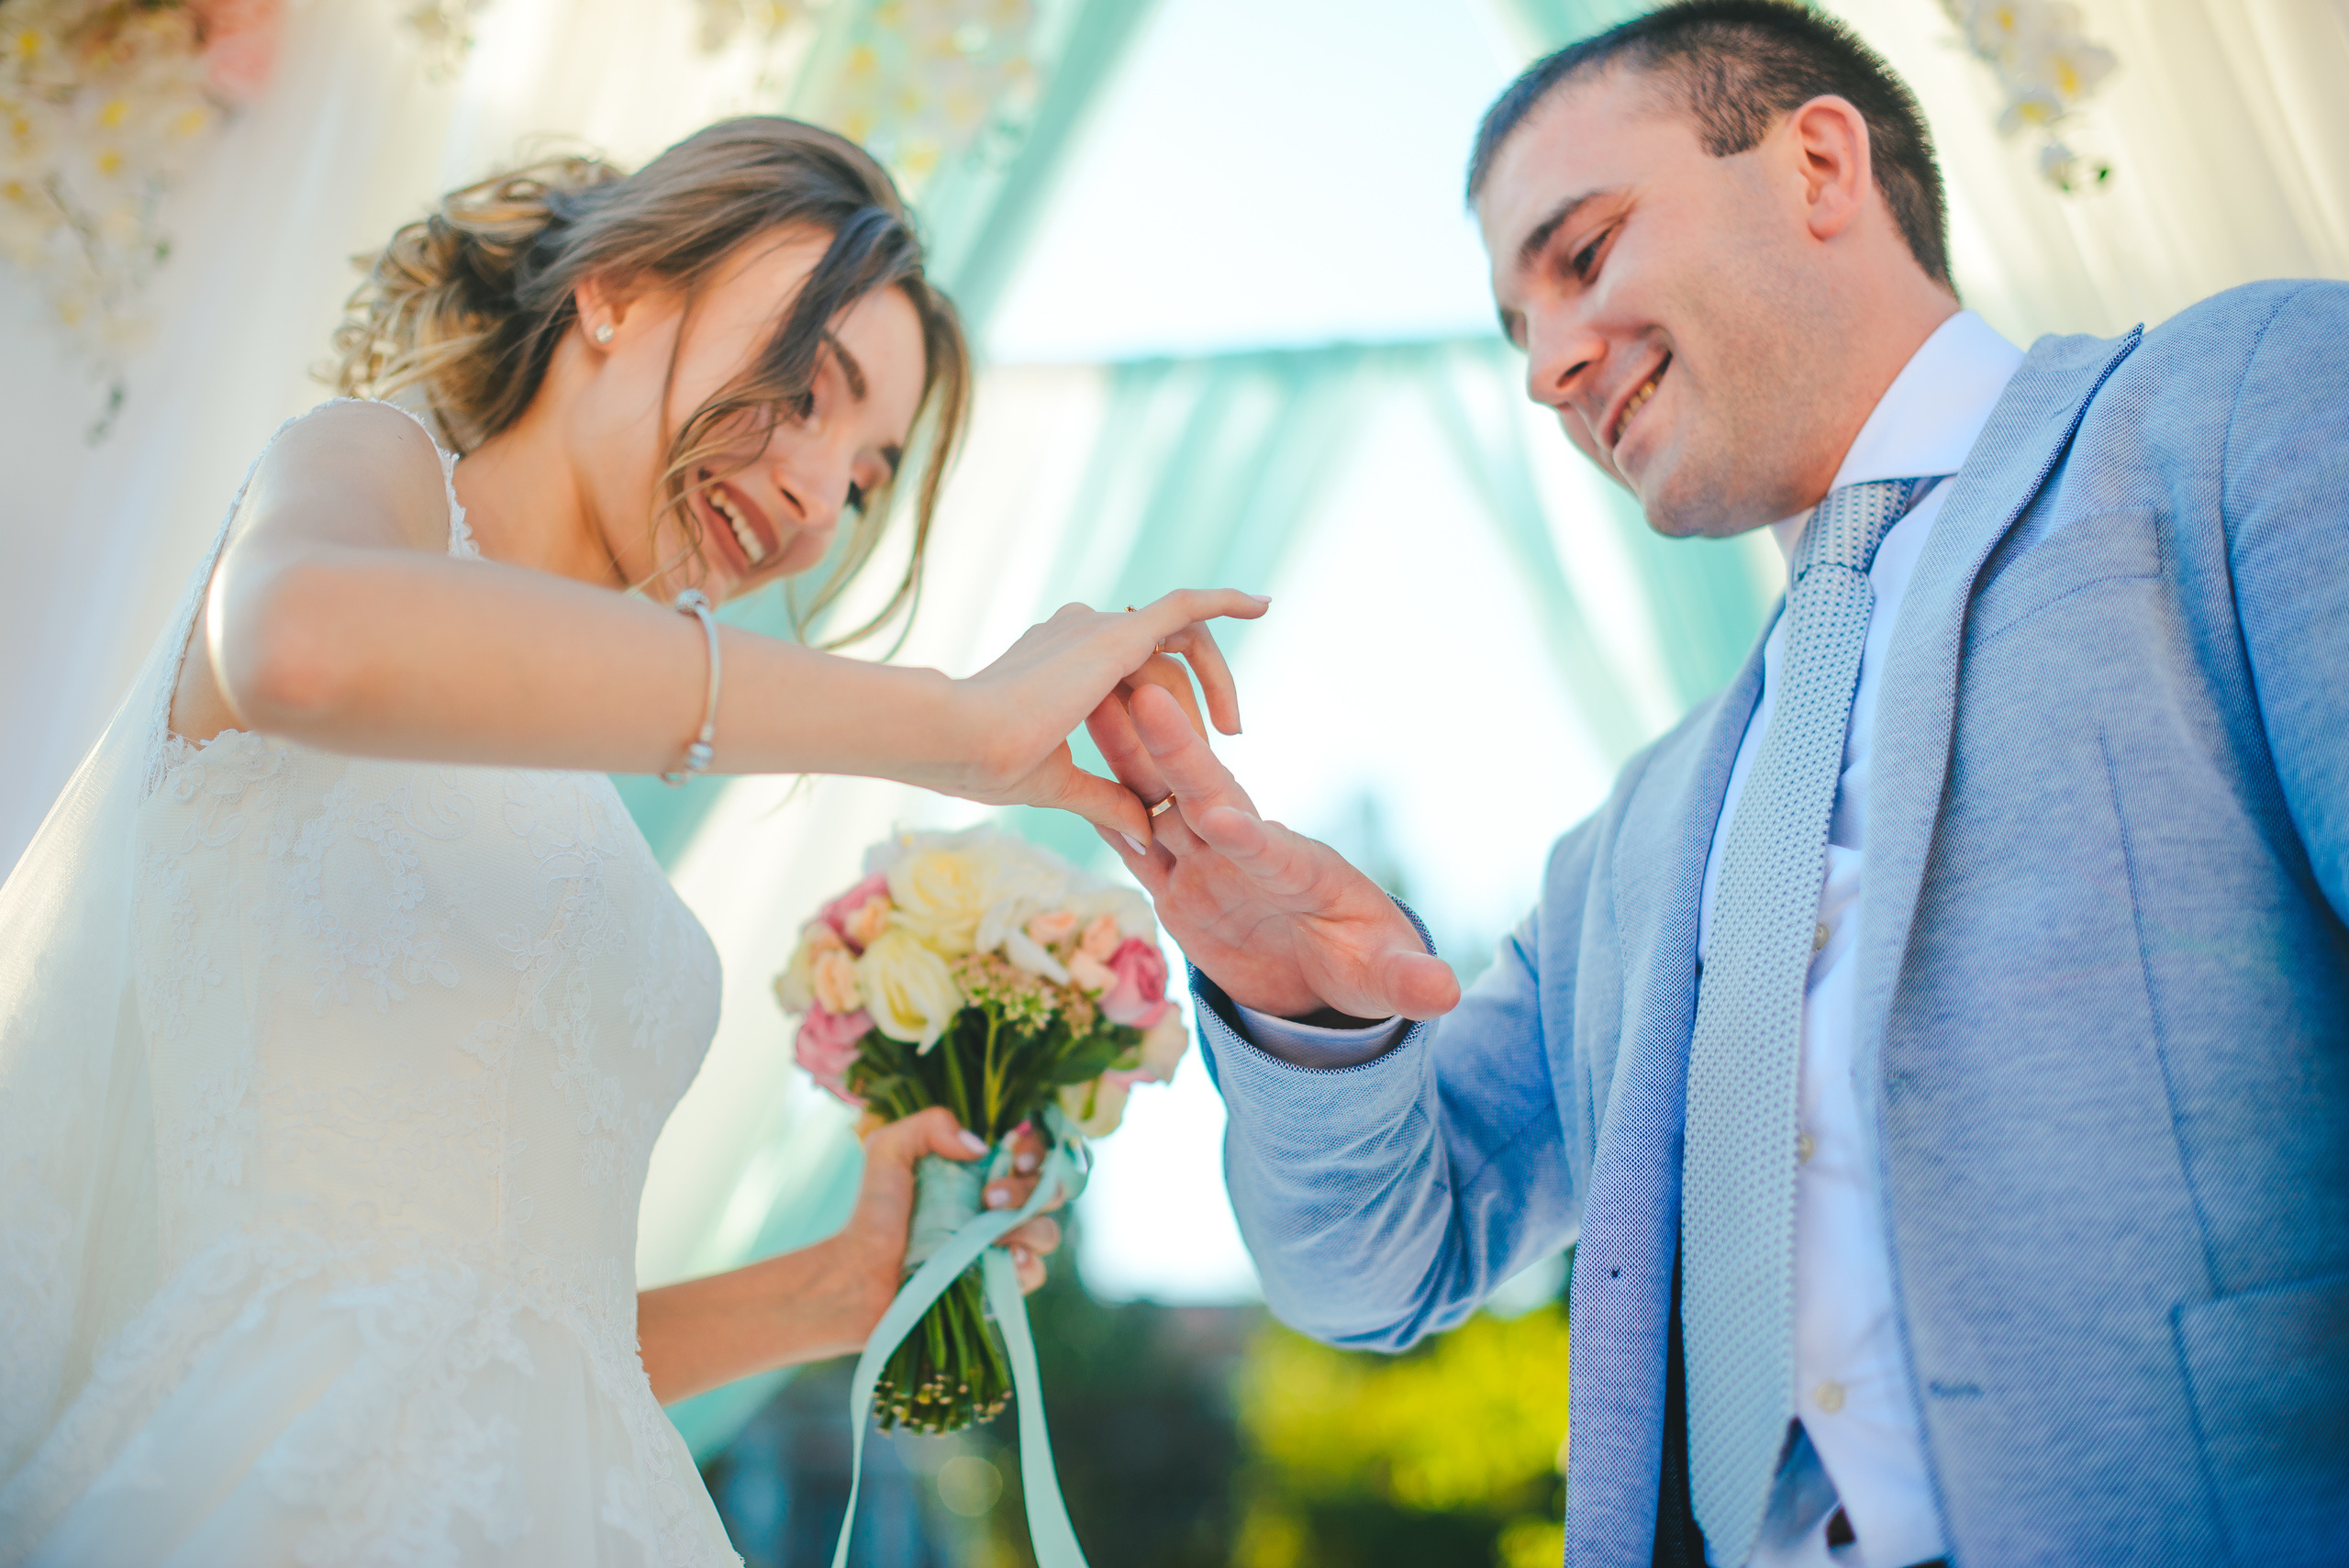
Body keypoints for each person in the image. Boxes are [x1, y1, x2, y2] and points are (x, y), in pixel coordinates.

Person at [1085, 4, 2348, 1566]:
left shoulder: (2243, 409)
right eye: (1516, 327)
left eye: (1586, 253)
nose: (1548, 368)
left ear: (1820, 161)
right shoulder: (1625, 846)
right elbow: (1374, 1271)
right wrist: (1310, 1023)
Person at [0, 117, 1257, 1564]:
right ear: (617, 288)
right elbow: (296, 641)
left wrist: (833, 1291)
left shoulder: (589, 815)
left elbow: (526, 1349)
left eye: (863, 475)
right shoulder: (367, 478)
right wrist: (949, 722)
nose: (811, 499)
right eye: (801, 390)